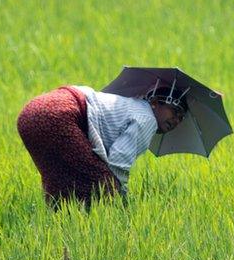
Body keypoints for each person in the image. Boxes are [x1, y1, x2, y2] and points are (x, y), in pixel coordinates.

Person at [17, 84, 187, 208]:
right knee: (102, 186)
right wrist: (124, 204)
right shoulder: (147, 119)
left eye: (181, 118)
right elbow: (117, 165)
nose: (176, 120)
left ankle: (55, 229)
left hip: (32, 112)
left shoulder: (131, 105)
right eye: (175, 112)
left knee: (62, 188)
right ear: (155, 102)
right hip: (59, 114)